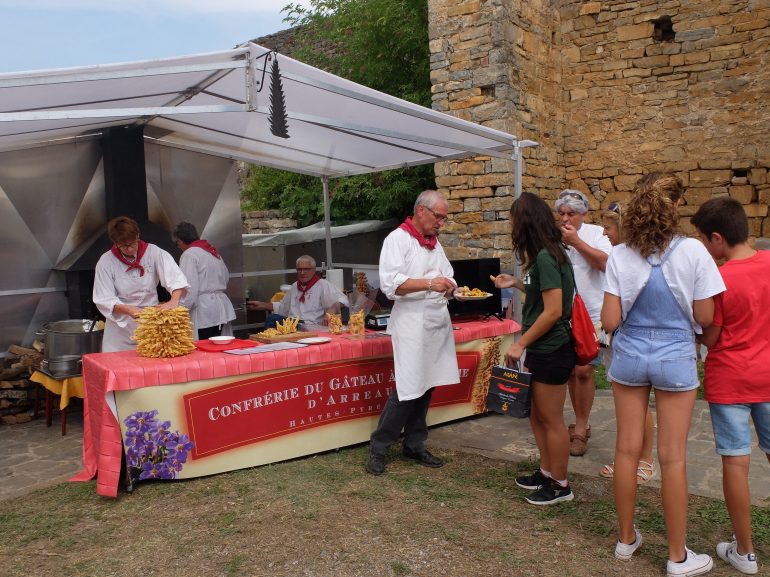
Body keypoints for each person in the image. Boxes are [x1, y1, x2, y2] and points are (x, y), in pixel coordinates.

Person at [601, 172, 724, 576]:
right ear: (674, 207)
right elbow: (706, 316)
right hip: (674, 356)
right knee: (672, 458)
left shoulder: (620, 254)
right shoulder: (693, 251)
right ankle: (676, 556)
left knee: (625, 449)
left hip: (631, 355)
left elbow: (610, 319)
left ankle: (625, 540)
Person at [692, 196, 770, 576]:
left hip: (730, 380)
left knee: (736, 463)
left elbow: (711, 337)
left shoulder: (719, 279)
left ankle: (745, 552)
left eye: (703, 241)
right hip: (768, 376)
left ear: (718, 239)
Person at [365, 190, 459, 476]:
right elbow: (391, 285)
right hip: (411, 324)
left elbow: (448, 274)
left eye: (444, 217)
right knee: (407, 389)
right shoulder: (397, 239)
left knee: (427, 385)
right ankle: (379, 447)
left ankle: (415, 443)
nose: (441, 223)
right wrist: (432, 283)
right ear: (421, 210)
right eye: (438, 216)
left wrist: (453, 287)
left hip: (435, 322)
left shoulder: (434, 244)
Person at [494, 191, 577, 505]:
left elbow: (553, 310)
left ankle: (560, 484)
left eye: (514, 219)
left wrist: (521, 344)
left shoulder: (546, 256)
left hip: (552, 348)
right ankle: (546, 471)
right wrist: (516, 284)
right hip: (542, 348)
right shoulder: (542, 255)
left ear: (525, 222)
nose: (511, 226)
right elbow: (541, 299)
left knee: (551, 418)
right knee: (537, 415)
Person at [598, 202, 656, 485]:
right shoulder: (620, 257)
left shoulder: (626, 258)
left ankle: (643, 459)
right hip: (623, 338)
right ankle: (631, 459)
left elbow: (613, 315)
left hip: (630, 339)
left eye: (608, 227)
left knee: (637, 404)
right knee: (629, 405)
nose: (604, 232)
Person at [555, 189, 611, 457]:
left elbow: (606, 264)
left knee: (585, 371)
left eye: (572, 214)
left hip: (592, 313)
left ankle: (581, 427)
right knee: (569, 371)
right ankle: (580, 421)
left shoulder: (598, 234)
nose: (566, 218)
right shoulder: (554, 236)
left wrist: (576, 242)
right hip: (564, 313)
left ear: (584, 215)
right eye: (562, 213)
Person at [93, 216, 189, 352]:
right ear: (115, 242)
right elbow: (104, 299)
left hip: (152, 325)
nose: (130, 249)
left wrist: (174, 301)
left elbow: (176, 279)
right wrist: (129, 310)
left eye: (132, 243)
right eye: (124, 246)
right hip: (120, 333)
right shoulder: (106, 262)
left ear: (138, 236)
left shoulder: (154, 252)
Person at [172, 222, 236, 340]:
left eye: (177, 243)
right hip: (220, 308)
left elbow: (189, 288)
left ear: (180, 241)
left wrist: (178, 310)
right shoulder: (212, 252)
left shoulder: (189, 255)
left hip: (204, 311)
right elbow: (226, 277)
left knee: (204, 348)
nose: (178, 247)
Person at [247, 255, 348, 328]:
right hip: (293, 324)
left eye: (306, 269)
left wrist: (332, 309)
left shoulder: (322, 285)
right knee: (273, 318)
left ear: (313, 270)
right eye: (299, 269)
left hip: (311, 326)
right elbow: (283, 307)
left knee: (273, 319)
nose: (302, 272)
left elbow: (344, 300)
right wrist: (262, 305)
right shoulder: (295, 286)